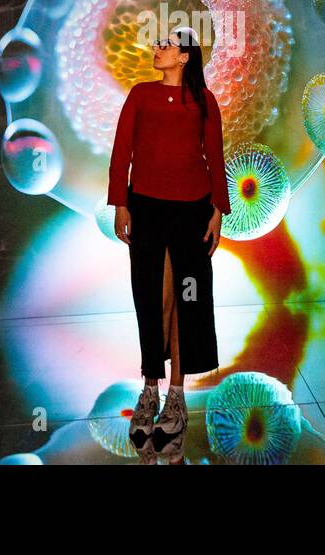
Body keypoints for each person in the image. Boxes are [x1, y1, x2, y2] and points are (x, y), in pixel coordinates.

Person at [107, 25, 231, 464]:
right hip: (146, 207)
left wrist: (219, 208)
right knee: (154, 297)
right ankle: (149, 387)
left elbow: (214, 155)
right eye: (158, 43)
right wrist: (120, 204)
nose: (157, 48)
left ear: (185, 57)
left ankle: (176, 396)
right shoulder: (140, 95)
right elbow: (122, 152)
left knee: (188, 299)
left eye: (166, 45)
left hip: (193, 209)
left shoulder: (205, 101)